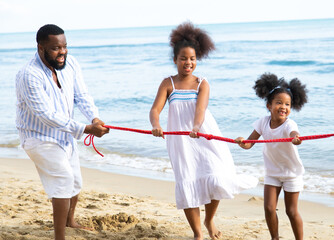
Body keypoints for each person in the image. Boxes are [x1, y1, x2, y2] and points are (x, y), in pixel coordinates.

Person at [149, 22, 258, 240]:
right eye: (183, 58)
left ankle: (209, 219)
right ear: (175, 60)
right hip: (180, 141)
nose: (188, 63)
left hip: (203, 134)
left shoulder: (202, 83)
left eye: (192, 59)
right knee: (188, 180)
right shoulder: (168, 83)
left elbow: (201, 109)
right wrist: (156, 125)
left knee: (215, 175)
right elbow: (155, 109)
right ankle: (198, 233)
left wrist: (197, 127)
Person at [15, 24, 109, 240]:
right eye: (56, 48)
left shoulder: (71, 63)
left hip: (64, 136)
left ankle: (70, 221)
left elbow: (82, 95)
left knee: (76, 181)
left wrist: (94, 117)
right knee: (64, 180)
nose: (63, 52)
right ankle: (60, 237)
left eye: (65, 46)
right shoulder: (28, 74)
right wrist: (86, 129)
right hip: (38, 137)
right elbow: (45, 114)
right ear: (41, 48)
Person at [235, 73, 308, 240]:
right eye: (279, 103)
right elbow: (249, 143)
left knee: (291, 211)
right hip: (272, 172)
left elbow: (295, 135)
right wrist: (241, 142)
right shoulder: (262, 122)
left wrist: (297, 139)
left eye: (287, 104)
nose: (283, 107)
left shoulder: (290, 124)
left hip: (291, 173)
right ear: (269, 105)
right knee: (268, 208)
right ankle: (274, 238)